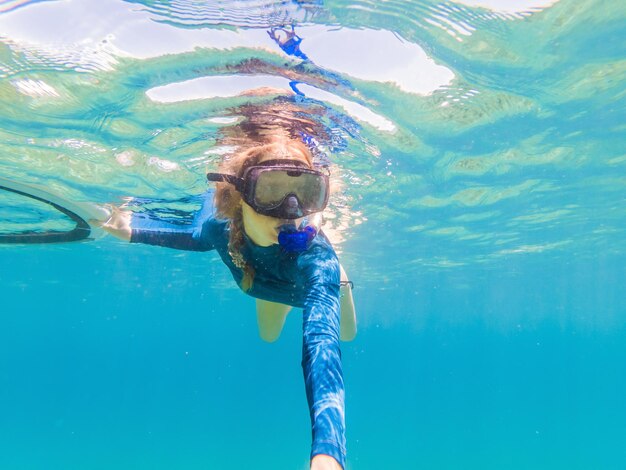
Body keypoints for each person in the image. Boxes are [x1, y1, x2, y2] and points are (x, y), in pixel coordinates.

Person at [102, 135, 356, 470]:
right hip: (263, 286)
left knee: (347, 333)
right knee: (268, 335)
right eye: (271, 191)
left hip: (317, 283)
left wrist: (328, 454)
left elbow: (321, 349)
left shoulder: (316, 260)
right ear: (240, 196)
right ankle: (279, 288)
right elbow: (184, 236)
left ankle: (334, 254)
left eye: (306, 192)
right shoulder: (217, 229)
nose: (291, 210)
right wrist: (125, 228)